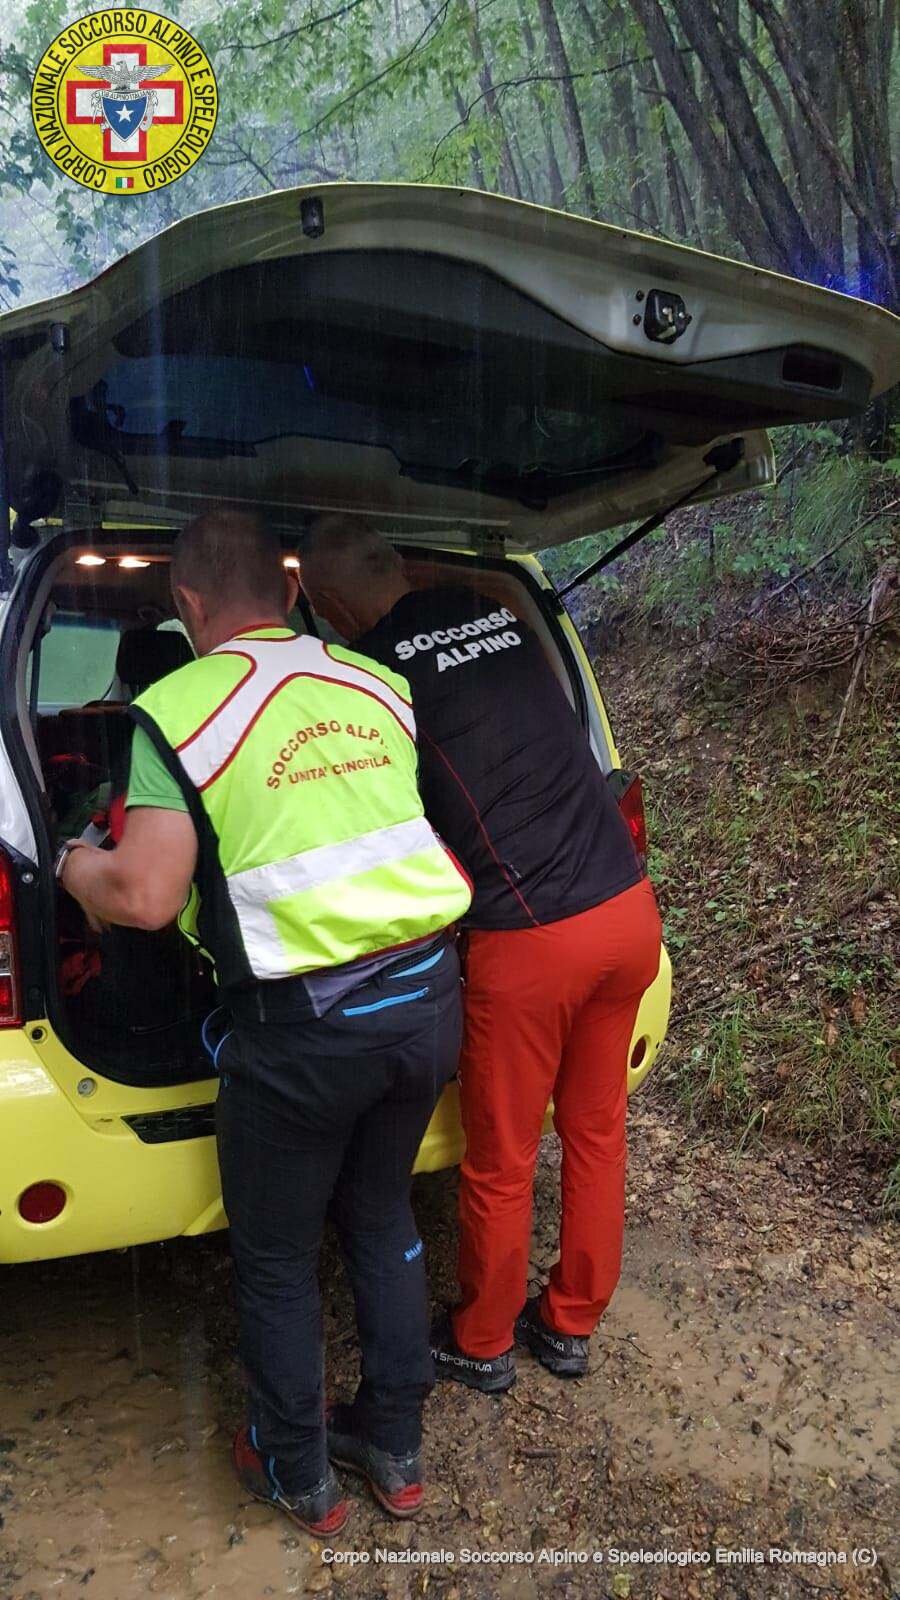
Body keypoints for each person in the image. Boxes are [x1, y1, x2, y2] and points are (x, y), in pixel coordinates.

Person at [58, 509, 472, 1533]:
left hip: (304, 1033)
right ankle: (395, 1447)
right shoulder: (375, 681)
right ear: (290, 593)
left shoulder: (179, 708)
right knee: (380, 1217)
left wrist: (73, 866)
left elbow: (148, 897)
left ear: (187, 606)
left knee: (279, 1256)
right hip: (426, 1001)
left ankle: (295, 1468)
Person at [300, 518, 662, 1393]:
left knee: (500, 1157)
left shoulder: (367, 676)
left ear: (329, 602)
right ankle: (571, 1322)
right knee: (596, 1129)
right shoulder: (484, 607)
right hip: (628, 910)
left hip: (532, 939)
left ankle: (485, 1338)